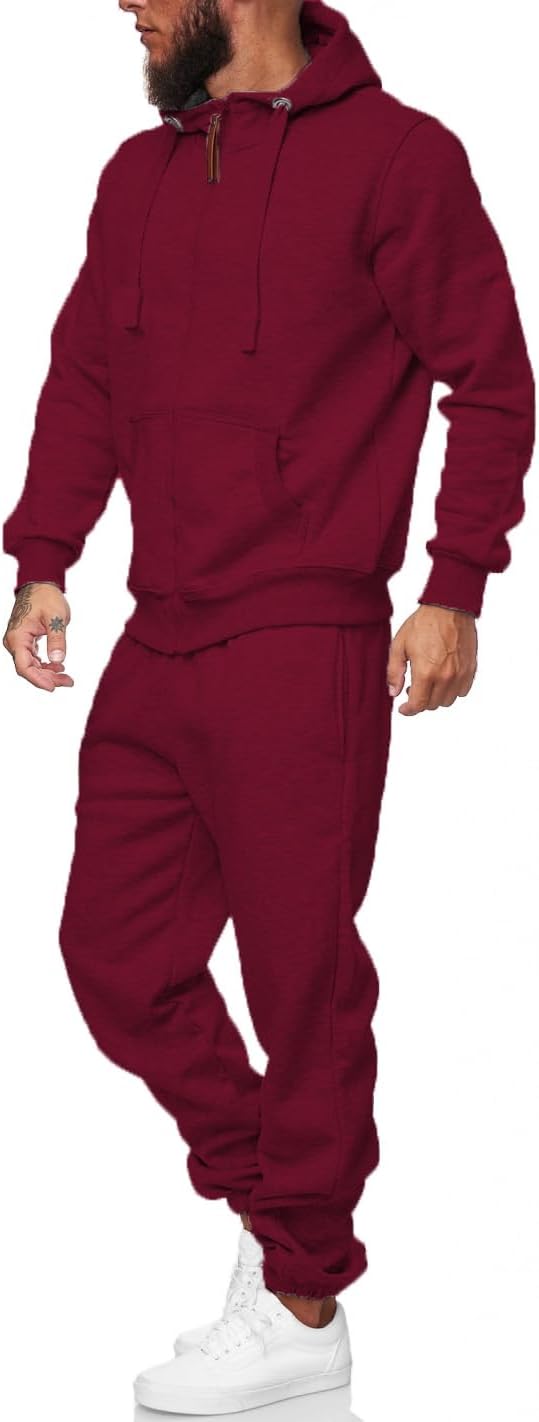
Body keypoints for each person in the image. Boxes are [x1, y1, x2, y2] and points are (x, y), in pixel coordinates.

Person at [2, 0, 534, 1412]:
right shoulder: (137, 175)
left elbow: (492, 380)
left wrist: (455, 583)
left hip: (304, 629)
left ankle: (302, 1303)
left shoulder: (399, 159)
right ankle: (286, 1211)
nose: (126, 5)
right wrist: (45, 557)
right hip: (161, 630)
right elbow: (87, 378)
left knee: (302, 978)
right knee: (114, 955)